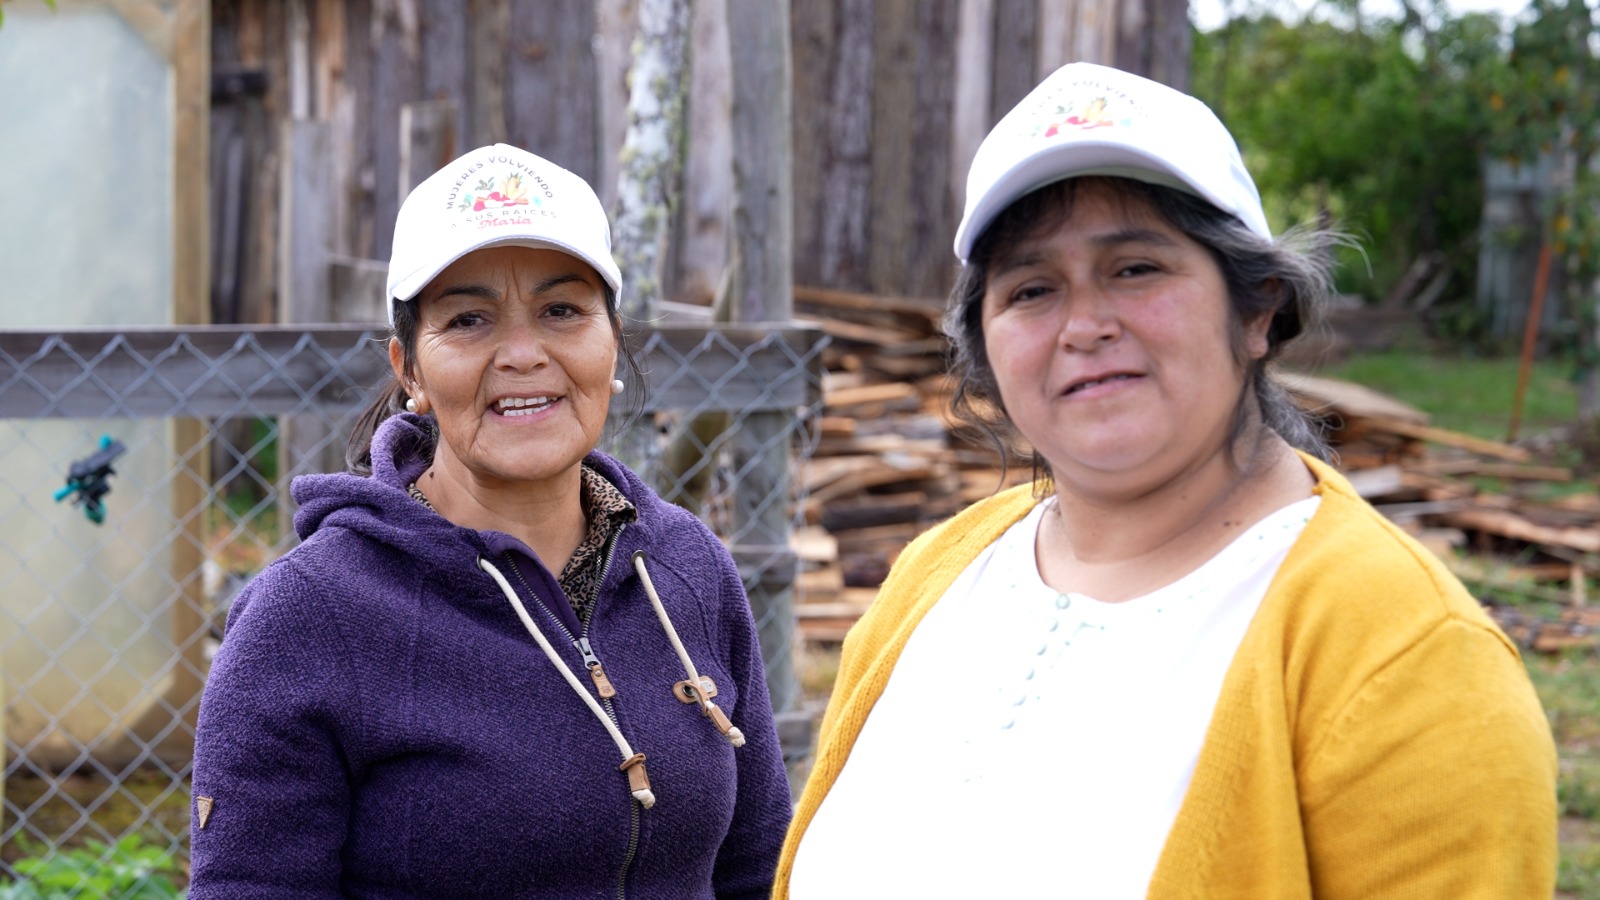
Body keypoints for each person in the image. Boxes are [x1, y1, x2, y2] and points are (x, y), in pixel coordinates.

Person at [776, 63, 1556, 898]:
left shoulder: (1406, 657)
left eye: (1136, 268)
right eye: (1032, 290)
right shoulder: (935, 579)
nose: (1085, 326)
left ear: (1256, 309)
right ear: (986, 348)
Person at [189, 143, 792, 898]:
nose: (522, 354)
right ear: (409, 369)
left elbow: (761, 868)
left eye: (562, 311)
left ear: (612, 344)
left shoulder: (686, 567)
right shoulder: (310, 616)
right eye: (469, 319)